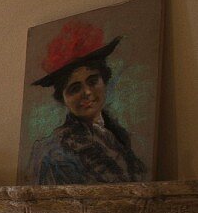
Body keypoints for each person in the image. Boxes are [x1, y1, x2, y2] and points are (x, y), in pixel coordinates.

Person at [28, 22, 147, 185]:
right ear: (63, 98)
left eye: (92, 81)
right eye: (75, 88)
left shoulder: (118, 135)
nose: (88, 93)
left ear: (104, 80)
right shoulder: (54, 150)